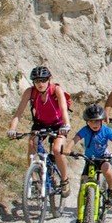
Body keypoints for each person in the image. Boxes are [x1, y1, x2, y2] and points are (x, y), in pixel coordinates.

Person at [7, 66, 71, 197]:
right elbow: (18, 113)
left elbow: (64, 109)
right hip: (40, 124)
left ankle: (65, 181)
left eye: (43, 80)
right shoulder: (30, 92)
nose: (40, 84)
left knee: (57, 150)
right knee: (31, 145)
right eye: (36, 81)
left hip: (58, 124)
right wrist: (12, 129)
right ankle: (35, 180)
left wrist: (67, 125)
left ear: (49, 80)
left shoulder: (56, 90)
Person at [67, 104, 112, 223]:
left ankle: (110, 190)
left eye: (97, 121)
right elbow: (75, 139)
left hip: (102, 158)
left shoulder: (106, 130)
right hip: (89, 159)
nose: (94, 124)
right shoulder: (85, 130)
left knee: (107, 170)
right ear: (87, 122)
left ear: (102, 120)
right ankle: (79, 220)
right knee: (83, 187)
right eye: (91, 121)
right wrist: (68, 149)